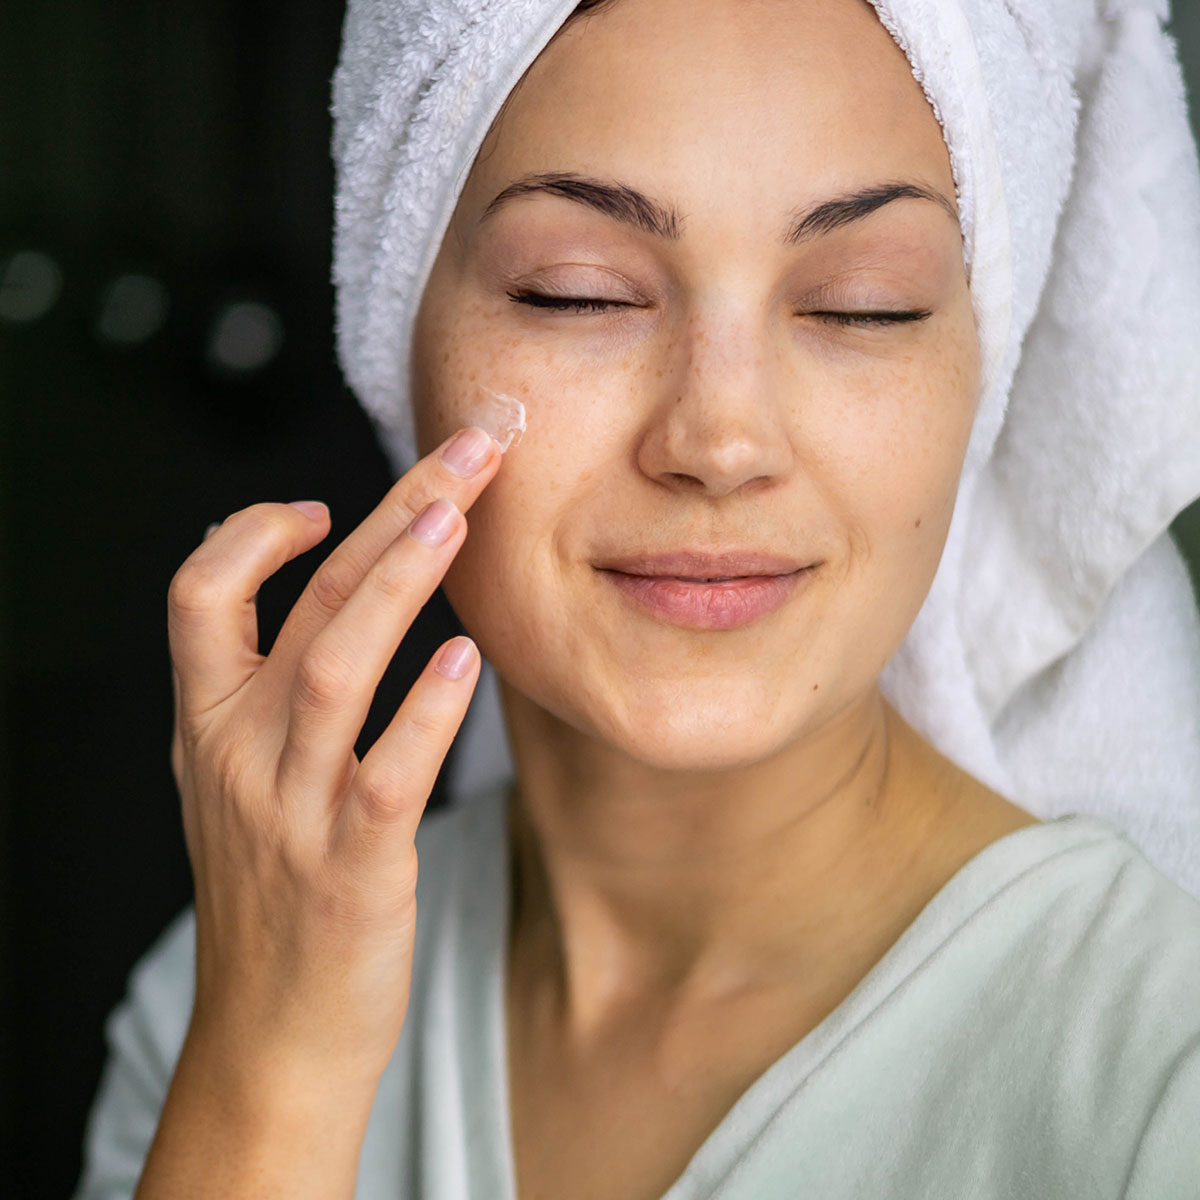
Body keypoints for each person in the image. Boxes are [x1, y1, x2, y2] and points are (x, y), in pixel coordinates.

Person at [77, 0, 1200, 1196]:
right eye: (578, 293)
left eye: (863, 304)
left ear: (983, 375)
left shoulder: (1157, 1071)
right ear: (392, 338)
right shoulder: (237, 990)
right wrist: (273, 1074)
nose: (718, 439)